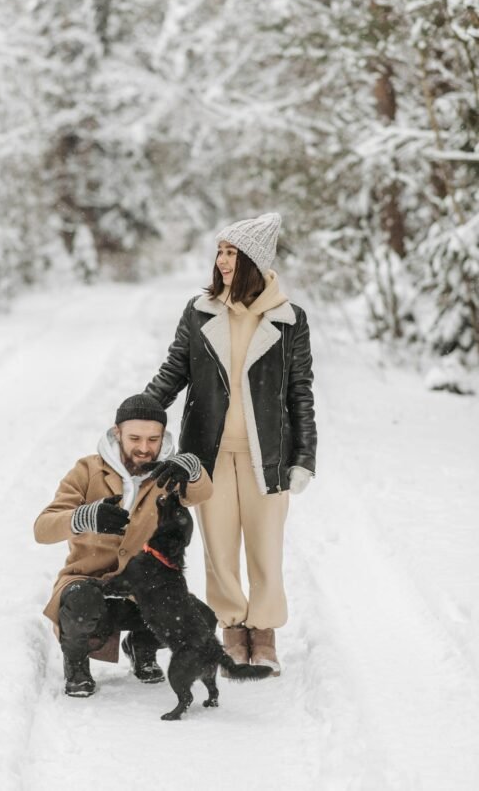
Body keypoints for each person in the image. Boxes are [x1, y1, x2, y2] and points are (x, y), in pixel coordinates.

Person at [144, 212, 317, 675]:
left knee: (265, 546)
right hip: (209, 454)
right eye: (219, 251)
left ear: (254, 262)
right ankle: (231, 628)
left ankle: (263, 632)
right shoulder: (200, 312)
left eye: (232, 253)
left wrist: (304, 457)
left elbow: (300, 391)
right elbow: (174, 370)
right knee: (219, 548)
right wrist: (141, 410)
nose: (222, 261)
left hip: (269, 456)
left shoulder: (289, 320)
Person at [34, 393, 212, 697]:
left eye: (153, 439)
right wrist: (84, 516)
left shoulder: (167, 473)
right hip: (90, 588)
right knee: (81, 602)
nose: (144, 448)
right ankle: (77, 665)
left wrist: (193, 469)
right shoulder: (88, 470)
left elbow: (200, 493)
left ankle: (141, 647)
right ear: (117, 433)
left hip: (142, 590)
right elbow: (42, 528)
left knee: (203, 619)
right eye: (135, 438)